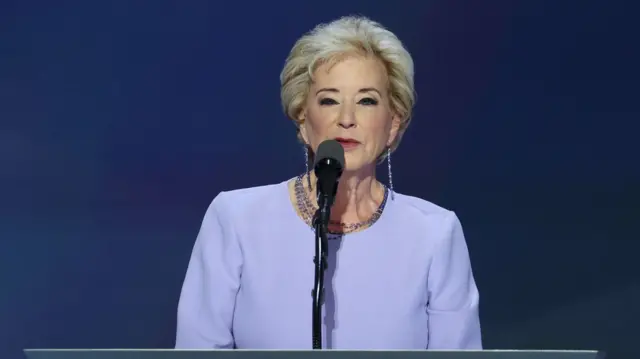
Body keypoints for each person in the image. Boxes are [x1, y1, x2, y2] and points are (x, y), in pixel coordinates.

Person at [175, 15, 482, 350]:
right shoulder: (235, 220)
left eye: (366, 100)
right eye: (329, 100)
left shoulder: (435, 234)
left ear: (393, 123)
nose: (346, 119)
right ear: (303, 120)